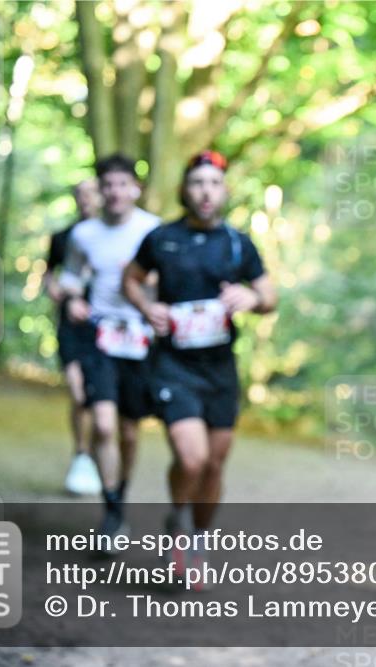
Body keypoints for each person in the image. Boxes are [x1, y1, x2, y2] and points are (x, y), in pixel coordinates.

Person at [123, 150, 276, 584]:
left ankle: (198, 539)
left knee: (214, 465)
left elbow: (269, 296)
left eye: (213, 183)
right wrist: (146, 307)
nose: (205, 191)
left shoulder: (237, 243)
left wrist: (252, 299)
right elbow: (130, 279)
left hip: (220, 368)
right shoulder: (161, 238)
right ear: (184, 191)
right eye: (197, 183)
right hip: (172, 364)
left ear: (224, 191)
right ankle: (178, 518)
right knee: (192, 459)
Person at [59, 155, 161, 547]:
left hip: (139, 339)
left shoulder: (153, 230)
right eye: (108, 185)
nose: (115, 191)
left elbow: (168, 280)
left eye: (122, 184)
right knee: (102, 423)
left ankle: (121, 495)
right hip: (99, 336)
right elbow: (70, 278)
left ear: (135, 189)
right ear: (99, 191)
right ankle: (112, 509)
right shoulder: (84, 234)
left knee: (130, 431)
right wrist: (71, 301)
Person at [42, 179, 103, 496]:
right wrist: (54, 290)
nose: (86, 200)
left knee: (100, 399)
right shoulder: (63, 237)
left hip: (106, 327)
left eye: (91, 193)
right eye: (80, 194)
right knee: (79, 394)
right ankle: (81, 455)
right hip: (71, 326)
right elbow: (48, 272)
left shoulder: (114, 236)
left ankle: (95, 458)